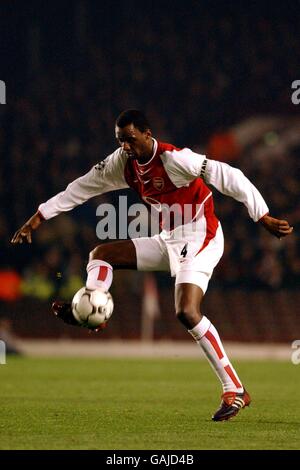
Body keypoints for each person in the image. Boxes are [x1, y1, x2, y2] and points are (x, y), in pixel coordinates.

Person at [11, 109, 293, 421]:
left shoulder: (175, 160)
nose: (125, 146)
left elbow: (230, 176)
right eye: (120, 140)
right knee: (100, 254)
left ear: (148, 134)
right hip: (169, 236)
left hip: (202, 235)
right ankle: (94, 310)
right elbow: (81, 187)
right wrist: (39, 217)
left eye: (130, 139)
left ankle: (235, 388)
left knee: (186, 311)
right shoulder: (122, 162)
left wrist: (262, 215)